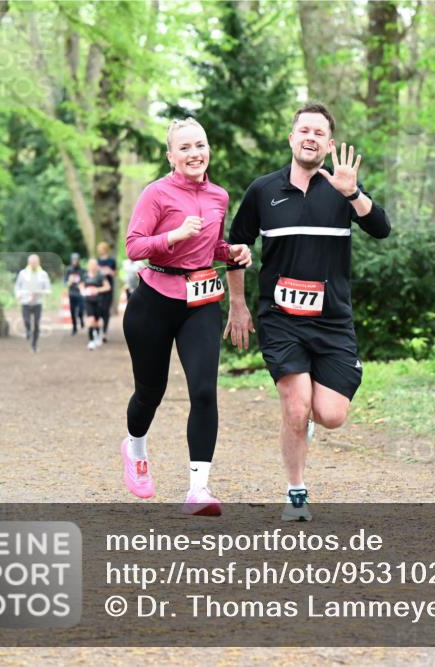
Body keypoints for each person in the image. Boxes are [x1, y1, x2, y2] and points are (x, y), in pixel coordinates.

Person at [225, 102, 391, 521]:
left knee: (331, 415)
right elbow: (234, 249)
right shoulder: (263, 191)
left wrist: (353, 192)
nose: (310, 138)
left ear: (329, 144)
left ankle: (307, 423)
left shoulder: (342, 190)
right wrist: (239, 305)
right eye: (304, 131)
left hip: (333, 320)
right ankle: (296, 493)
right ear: (291, 138)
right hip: (280, 319)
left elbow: (382, 229)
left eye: (319, 133)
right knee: (295, 407)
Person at [122, 118, 251, 516]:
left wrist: (232, 253)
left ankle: (199, 489)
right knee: (150, 393)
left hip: (200, 302)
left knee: (204, 391)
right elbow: (133, 246)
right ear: (171, 156)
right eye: (185, 148)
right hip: (154, 300)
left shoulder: (218, 195)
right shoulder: (156, 194)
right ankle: (135, 447)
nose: (195, 154)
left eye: (200, 145)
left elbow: (209, 246)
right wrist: (173, 236)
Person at [14, 254, 51, 353]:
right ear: (28, 263)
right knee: (26, 321)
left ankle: (34, 345)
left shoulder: (43, 274)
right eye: (32, 262)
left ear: (38, 263)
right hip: (25, 301)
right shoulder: (23, 274)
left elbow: (48, 289)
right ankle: (28, 330)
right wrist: (19, 295)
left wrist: (39, 293)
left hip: (38, 303)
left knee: (36, 324)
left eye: (35, 262)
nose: (33, 264)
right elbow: (17, 287)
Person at [80, 258, 109, 350]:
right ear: (88, 266)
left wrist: (97, 290)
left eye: (94, 265)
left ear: (97, 266)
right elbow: (81, 286)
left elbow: (107, 287)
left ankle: (97, 335)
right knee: (91, 320)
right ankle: (91, 341)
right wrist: (83, 291)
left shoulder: (100, 276)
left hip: (98, 301)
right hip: (88, 301)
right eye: (91, 265)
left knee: (96, 321)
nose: (92, 267)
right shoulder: (85, 275)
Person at [96, 242, 117, 342]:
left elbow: (115, 273)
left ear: (105, 249)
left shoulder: (111, 261)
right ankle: (97, 330)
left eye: (101, 248)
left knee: (106, 310)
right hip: (98, 289)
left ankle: (104, 332)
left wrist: (109, 271)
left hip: (109, 289)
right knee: (98, 310)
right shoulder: (96, 261)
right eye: (99, 248)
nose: (100, 250)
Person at [64, 253, 85, 335]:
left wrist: (82, 284)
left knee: (81, 310)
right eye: (73, 260)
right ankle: (74, 327)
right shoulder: (69, 270)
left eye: (76, 260)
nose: (74, 261)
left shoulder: (82, 270)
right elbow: (65, 282)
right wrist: (69, 281)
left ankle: (81, 319)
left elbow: (85, 280)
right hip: (72, 293)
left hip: (80, 293)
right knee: (72, 311)